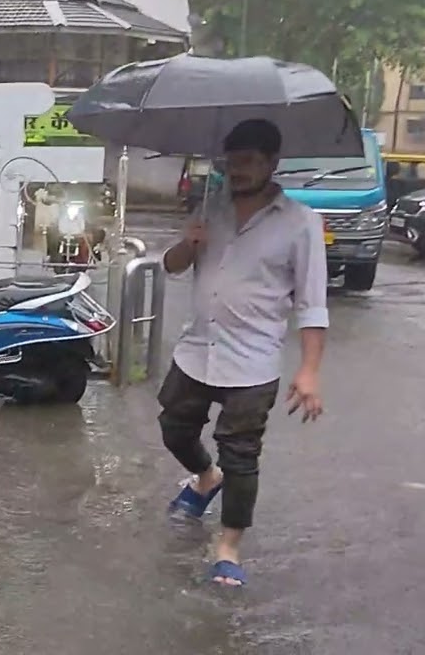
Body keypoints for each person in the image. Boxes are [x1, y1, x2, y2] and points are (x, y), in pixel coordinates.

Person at [159, 118, 328, 588]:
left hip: (252, 360)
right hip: (196, 350)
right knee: (173, 427)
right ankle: (204, 477)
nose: (239, 170)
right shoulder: (209, 208)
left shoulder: (300, 224)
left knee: (241, 456)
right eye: (233, 162)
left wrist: (309, 370)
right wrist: (187, 244)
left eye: (250, 161)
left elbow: (313, 305)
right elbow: (172, 267)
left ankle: (228, 548)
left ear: (272, 164)